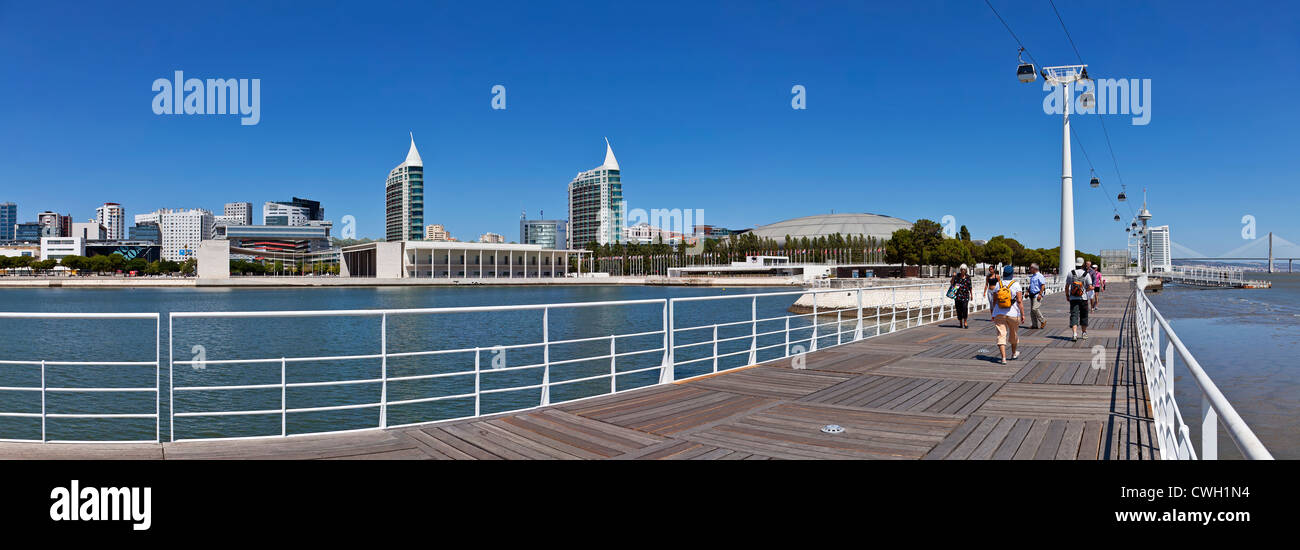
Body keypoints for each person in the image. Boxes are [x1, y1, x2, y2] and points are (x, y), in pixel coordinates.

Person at [986, 264, 1024, 364]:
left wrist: (994, 312)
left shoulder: (999, 284)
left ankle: (1003, 358)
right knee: (1014, 334)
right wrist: (1023, 314)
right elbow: (1019, 301)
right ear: (1012, 274)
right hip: (1013, 313)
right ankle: (1014, 353)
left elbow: (994, 300)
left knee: (1001, 335)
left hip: (999, 313)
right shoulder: (1016, 284)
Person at [1065, 257, 1094, 341]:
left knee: (1074, 315)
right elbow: (1090, 286)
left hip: (1073, 298)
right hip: (1083, 298)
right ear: (1083, 264)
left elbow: (1067, 286)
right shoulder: (1086, 274)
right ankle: (1084, 333)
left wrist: (1067, 295)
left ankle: (1074, 334)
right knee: (1084, 315)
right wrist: (1086, 290)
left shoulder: (1071, 273)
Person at [949, 264, 973, 329]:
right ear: (960, 270)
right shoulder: (957, 276)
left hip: (965, 295)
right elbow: (952, 283)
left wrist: (971, 294)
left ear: (966, 270)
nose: (963, 270)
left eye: (964, 269)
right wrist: (953, 277)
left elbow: (970, 286)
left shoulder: (968, 277)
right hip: (958, 296)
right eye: (962, 269)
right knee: (959, 309)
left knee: (965, 308)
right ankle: (960, 322)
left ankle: (965, 322)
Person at [1026, 263, 1047, 329]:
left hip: (1037, 294)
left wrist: (1040, 294)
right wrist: (1027, 292)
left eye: (1030, 268)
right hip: (1032, 294)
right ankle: (1034, 325)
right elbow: (1031, 285)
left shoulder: (1039, 276)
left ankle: (1043, 320)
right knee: (1032, 312)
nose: (1030, 269)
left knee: (1034, 308)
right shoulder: (1033, 276)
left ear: (1034, 268)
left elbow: (1043, 285)